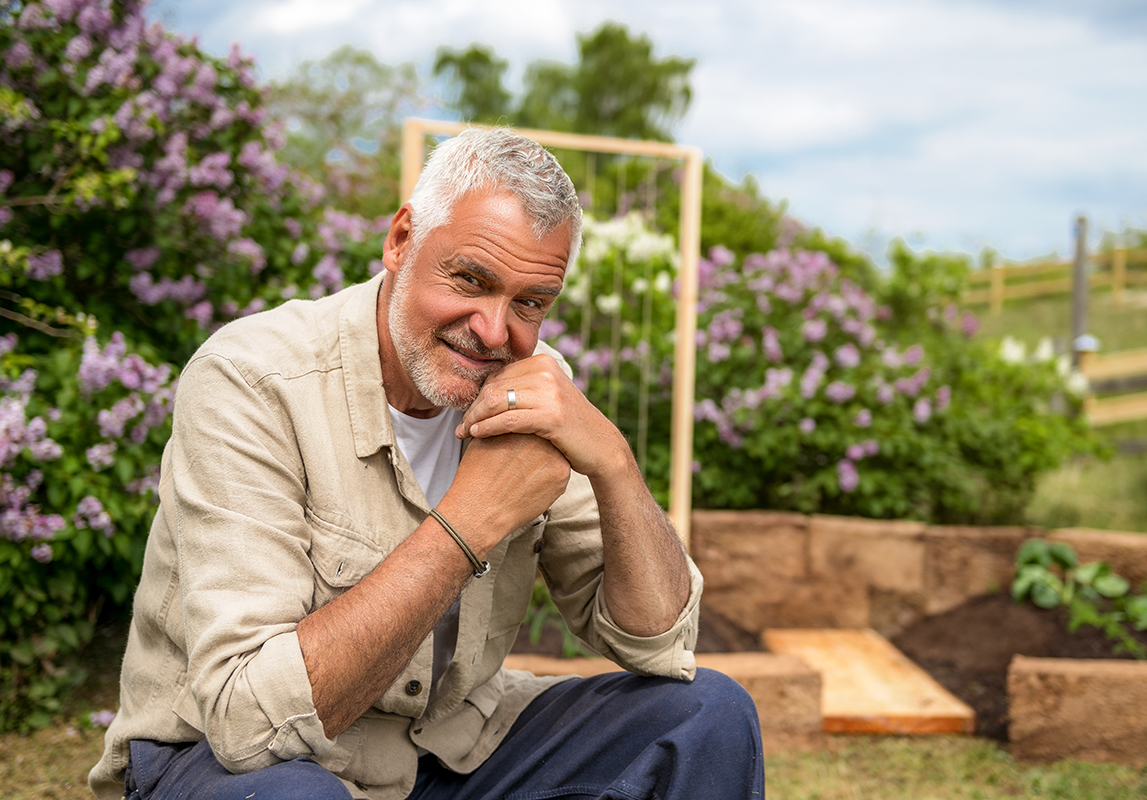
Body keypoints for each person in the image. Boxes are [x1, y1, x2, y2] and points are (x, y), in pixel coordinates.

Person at [89, 128, 764, 799]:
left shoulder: (535, 391)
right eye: (471, 278)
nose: (495, 332)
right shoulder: (251, 379)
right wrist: (470, 521)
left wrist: (614, 462)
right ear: (401, 240)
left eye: (530, 302)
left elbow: (656, 645)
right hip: (228, 760)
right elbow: (247, 722)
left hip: (448, 749)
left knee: (710, 715)